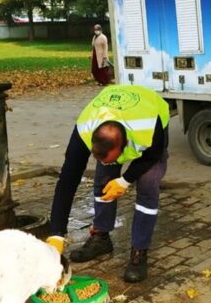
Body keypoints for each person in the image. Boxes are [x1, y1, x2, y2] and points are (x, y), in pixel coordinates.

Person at [46, 84, 170, 283]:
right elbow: (67, 180)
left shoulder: (147, 127)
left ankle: (139, 251)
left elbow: (152, 156)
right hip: (112, 120)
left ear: (126, 146)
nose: (106, 163)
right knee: (104, 179)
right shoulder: (85, 129)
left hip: (152, 113)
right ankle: (101, 238)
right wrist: (56, 233)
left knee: (147, 184)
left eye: (111, 159)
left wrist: (125, 179)